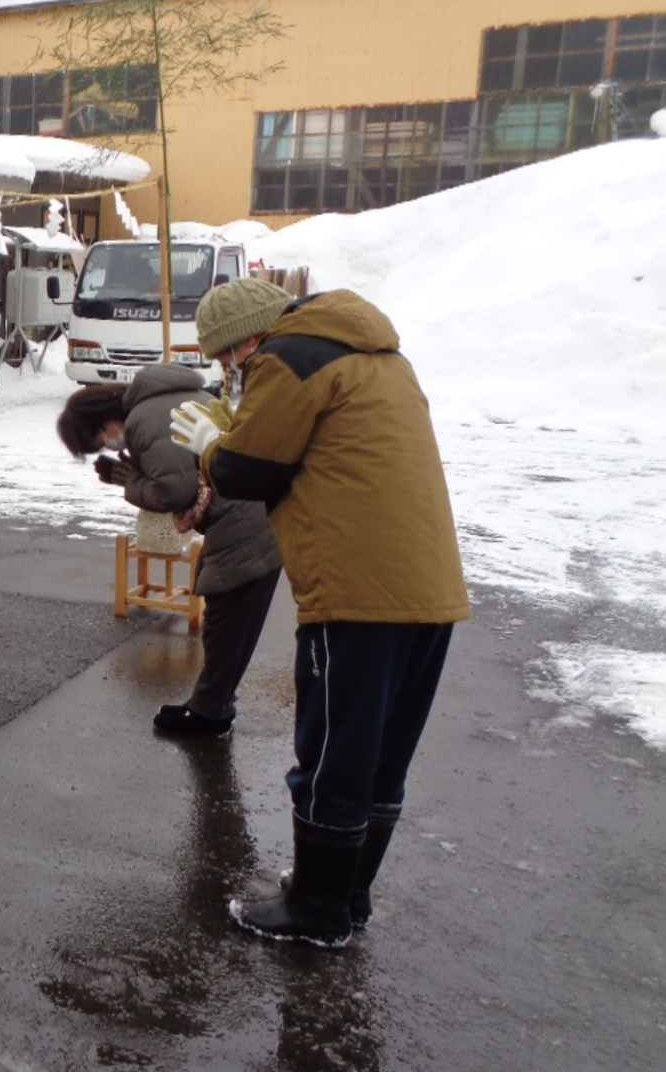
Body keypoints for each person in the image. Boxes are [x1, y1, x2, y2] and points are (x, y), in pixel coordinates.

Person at [172, 279, 470, 947]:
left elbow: (248, 472)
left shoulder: (288, 357)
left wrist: (212, 446)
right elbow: (306, 449)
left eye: (228, 360)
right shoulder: (377, 356)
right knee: (382, 753)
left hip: (358, 590)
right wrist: (236, 431)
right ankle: (346, 892)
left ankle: (315, 910)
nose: (232, 373)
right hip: (428, 586)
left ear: (250, 337)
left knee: (334, 750)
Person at [57, 366, 283, 738]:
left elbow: (172, 492)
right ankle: (212, 707)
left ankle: (209, 715)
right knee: (235, 622)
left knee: (226, 623)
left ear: (104, 421)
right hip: (256, 509)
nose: (109, 446)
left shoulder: (145, 419)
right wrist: (133, 475)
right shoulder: (166, 400)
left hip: (243, 518)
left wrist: (129, 482)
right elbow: (179, 471)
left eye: (100, 440)